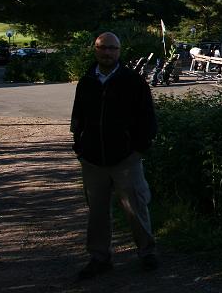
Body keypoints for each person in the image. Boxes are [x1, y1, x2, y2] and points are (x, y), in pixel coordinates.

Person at [71, 32, 158, 280]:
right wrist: (79, 146)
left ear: (119, 51)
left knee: (135, 207)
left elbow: (147, 118)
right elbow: (78, 116)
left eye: (112, 48)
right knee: (97, 212)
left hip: (125, 158)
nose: (107, 52)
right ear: (95, 50)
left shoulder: (132, 81)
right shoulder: (87, 81)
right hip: (93, 158)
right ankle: (99, 257)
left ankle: (147, 252)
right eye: (102, 48)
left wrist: (139, 148)